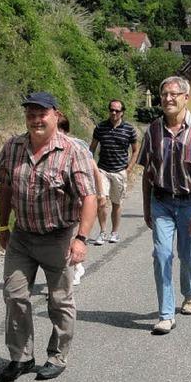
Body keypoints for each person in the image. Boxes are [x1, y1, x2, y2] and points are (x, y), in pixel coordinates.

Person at [0, 92, 96, 382]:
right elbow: (5, 188)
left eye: (42, 114)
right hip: (22, 237)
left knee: (59, 300)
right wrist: (3, 227)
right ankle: (21, 357)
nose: (36, 119)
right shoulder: (13, 146)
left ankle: (57, 356)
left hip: (58, 236)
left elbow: (89, 196)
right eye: (31, 114)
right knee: (14, 296)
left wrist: (81, 239)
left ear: (55, 115)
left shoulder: (72, 150)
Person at [138, 76, 191, 335]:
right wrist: (146, 207)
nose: (168, 99)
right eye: (164, 94)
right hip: (161, 201)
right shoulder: (153, 131)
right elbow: (147, 173)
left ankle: (190, 293)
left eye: (174, 94)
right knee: (162, 255)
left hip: (189, 202)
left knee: (188, 255)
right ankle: (165, 314)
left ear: (186, 98)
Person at [57, 114, 105, 285]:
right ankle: (71, 270)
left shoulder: (78, 146)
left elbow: (95, 171)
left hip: (79, 199)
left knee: (73, 235)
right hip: (60, 203)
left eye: (59, 129)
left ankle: (73, 270)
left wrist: (100, 194)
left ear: (65, 130)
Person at [89, 99, 139, 245]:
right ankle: (103, 232)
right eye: (111, 109)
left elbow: (135, 150)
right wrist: (91, 165)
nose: (113, 112)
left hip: (119, 171)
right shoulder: (100, 127)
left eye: (117, 110)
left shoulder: (129, 129)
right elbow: (92, 148)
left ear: (122, 112)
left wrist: (129, 169)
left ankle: (114, 232)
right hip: (102, 169)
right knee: (101, 201)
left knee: (116, 204)